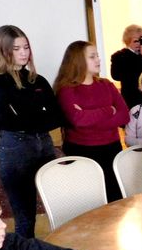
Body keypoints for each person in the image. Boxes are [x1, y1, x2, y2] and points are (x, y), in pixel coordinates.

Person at [0, 25, 64, 238]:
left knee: (61, 204)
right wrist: (38, 118)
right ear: (3, 50)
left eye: (26, 47)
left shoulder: (37, 79)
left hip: (43, 143)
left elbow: (57, 116)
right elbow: (10, 120)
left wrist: (28, 120)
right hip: (15, 148)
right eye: (16, 48)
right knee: (25, 215)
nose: (23, 53)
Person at [54, 40, 130, 202]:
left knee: (115, 200)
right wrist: (109, 110)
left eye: (97, 55)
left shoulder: (107, 85)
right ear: (78, 60)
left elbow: (124, 116)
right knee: (89, 201)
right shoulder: (67, 89)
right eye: (92, 56)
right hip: (82, 152)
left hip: (112, 149)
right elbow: (78, 120)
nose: (98, 59)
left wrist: (89, 117)